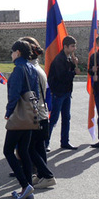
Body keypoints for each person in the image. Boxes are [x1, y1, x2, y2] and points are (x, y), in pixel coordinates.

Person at [3, 40, 38, 199]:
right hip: (30, 114)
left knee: (8, 150)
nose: (11, 54)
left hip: (19, 115)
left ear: (17, 52)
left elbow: (14, 95)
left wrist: (8, 112)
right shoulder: (32, 68)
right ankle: (28, 187)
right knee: (24, 150)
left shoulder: (18, 70)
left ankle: (25, 184)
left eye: (12, 51)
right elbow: (35, 92)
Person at [20, 37, 56, 189]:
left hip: (36, 115)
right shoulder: (37, 68)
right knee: (39, 148)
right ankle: (42, 175)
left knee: (30, 148)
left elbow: (30, 94)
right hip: (42, 114)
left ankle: (48, 176)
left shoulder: (31, 70)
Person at [47, 35, 80, 150]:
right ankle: (45, 143)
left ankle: (65, 141)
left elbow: (67, 71)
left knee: (66, 117)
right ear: (65, 46)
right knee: (54, 118)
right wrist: (74, 73)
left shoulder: (68, 58)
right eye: (72, 46)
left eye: (74, 46)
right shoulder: (59, 59)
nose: (74, 48)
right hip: (58, 92)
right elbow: (62, 76)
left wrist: (73, 63)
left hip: (66, 92)